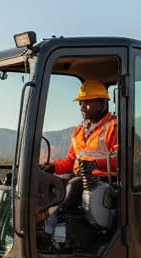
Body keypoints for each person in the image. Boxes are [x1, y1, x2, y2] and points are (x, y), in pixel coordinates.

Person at [41, 79, 119, 240]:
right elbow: (71, 160)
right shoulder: (79, 131)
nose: (82, 107)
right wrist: (53, 167)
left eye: (87, 103)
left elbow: (120, 159)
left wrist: (95, 164)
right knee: (50, 182)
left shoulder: (114, 127)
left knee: (74, 184)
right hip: (80, 176)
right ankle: (43, 221)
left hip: (103, 180)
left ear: (102, 103)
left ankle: (54, 219)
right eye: (80, 103)